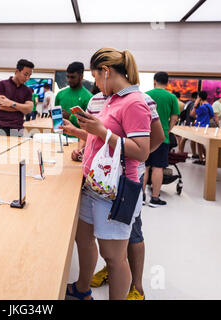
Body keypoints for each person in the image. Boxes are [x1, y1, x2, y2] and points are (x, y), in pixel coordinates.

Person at [62, 48, 151, 300]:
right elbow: (104, 139)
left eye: (96, 78)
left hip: (116, 190)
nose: (97, 85)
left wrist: (102, 132)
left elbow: (142, 152)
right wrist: (83, 131)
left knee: (113, 257)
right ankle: (82, 289)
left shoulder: (134, 102)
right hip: (96, 184)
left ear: (106, 71)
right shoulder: (113, 99)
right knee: (84, 238)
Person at [83, 88, 165, 300]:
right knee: (111, 244)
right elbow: (95, 135)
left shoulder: (140, 100)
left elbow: (155, 139)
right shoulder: (97, 99)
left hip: (125, 180)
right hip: (102, 177)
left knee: (131, 233)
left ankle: (136, 287)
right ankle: (111, 271)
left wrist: (135, 158)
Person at [143, 72, 180, 207]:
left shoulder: (145, 95)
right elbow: (175, 117)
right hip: (162, 138)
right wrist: (167, 130)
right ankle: (155, 198)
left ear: (154, 81)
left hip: (145, 136)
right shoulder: (171, 97)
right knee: (158, 167)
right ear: (167, 83)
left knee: (144, 166)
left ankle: (141, 197)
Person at [0, 59, 34, 136]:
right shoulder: (1, 84)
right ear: (17, 71)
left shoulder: (27, 90)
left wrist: (11, 103)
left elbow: (29, 109)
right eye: (25, 74)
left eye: (30, 75)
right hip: (0, 127)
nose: (27, 78)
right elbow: (2, 106)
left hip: (18, 128)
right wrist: (22, 108)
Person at [55, 62, 93, 133]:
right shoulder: (60, 94)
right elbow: (56, 122)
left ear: (81, 76)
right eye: (67, 76)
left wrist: (70, 116)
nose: (69, 80)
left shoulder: (89, 97)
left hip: (79, 139)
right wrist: (54, 116)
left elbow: (89, 124)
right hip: (60, 136)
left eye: (72, 77)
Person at [190, 91, 215, 165]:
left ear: (199, 97)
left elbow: (192, 114)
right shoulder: (209, 106)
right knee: (202, 143)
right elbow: (211, 116)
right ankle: (205, 158)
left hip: (199, 126)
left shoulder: (201, 107)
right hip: (206, 126)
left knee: (199, 143)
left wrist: (195, 105)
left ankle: (202, 158)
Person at [178, 91, 198, 157]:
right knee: (187, 139)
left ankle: (181, 152)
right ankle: (181, 152)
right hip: (191, 123)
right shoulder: (193, 104)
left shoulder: (189, 103)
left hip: (187, 122)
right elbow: (192, 114)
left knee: (188, 139)